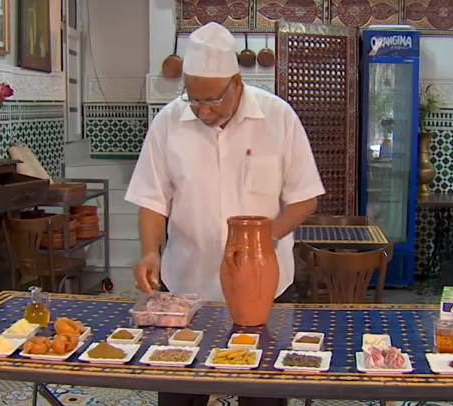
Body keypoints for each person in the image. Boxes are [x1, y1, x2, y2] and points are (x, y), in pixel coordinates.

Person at [124, 22, 325, 406]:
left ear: (236, 83)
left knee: (261, 395)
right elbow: (152, 198)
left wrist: (268, 239)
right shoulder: (168, 122)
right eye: (193, 99)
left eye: (212, 99)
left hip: (265, 286)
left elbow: (304, 198)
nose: (202, 110)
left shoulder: (278, 118)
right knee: (180, 395)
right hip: (186, 285)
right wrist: (150, 251)